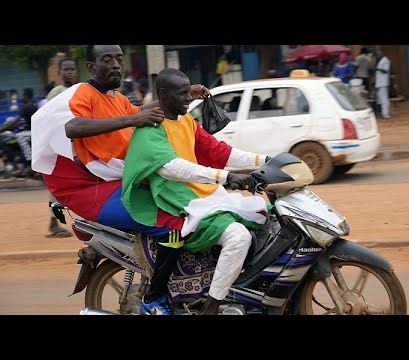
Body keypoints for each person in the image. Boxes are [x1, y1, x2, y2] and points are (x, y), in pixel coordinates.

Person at [31, 45, 209, 312]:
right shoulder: (84, 93)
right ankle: (156, 299)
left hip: (110, 181)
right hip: (87, 189)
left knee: (188, 200)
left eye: (119, 59)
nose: (116, 64)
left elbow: (136, 110)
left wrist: (184, 95)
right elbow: (73, 127)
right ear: (91, 67)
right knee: (173, 223)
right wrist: (132, 120)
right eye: (107, 59)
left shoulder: (114, 97)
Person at [121, 68, 271, 315]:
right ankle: (212, 307)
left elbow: (218, 151)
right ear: (163, 95)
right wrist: (227, 177)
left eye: (188, 92)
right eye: (182, 94)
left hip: (201, 194)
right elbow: (173, 168)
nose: (189, 98)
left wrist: (265, 160)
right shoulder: (151, 128)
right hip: (175, 200)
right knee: (238, 237)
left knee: (262, 216)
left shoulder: (186, 120)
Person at [42, 58, 79, 238]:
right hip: (61, 143)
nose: (70, 72)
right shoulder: (55, 93)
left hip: (78, 144)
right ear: (60, 72)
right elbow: (48, 118)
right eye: (66, 69)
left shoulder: (81, 89)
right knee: (58, 186)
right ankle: (53, 222)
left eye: (72, 69)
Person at [0, 87, 37, 176]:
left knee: (19, 136)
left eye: (23, 95)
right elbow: (17, 122)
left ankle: (30, 161)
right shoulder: (32, 105)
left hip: (36, 132)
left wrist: (1, 129)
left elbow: (15, 121)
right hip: (35, 131)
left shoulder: (28, 106)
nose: (22, 97)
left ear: (26, 95)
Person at [374, 48, 391, 120]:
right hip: (379, 84)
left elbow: (385, 71)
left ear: (382, 53)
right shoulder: (380, 61)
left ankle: (385, 115)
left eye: (379, 54)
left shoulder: (385, 60)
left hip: (383, 83)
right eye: (377, 54)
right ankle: (384, 113)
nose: (378, 55)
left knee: (384, 100)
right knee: (380, 100)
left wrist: (377, 69)